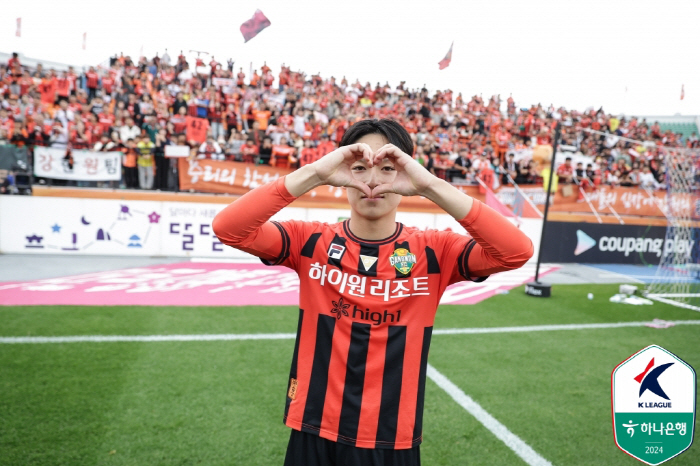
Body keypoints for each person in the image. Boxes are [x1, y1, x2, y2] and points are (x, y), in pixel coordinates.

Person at [212, 119, 532, 466]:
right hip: (312, 428)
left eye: (388, 168)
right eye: (360, 167)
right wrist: (316, 173)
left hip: (391, 438)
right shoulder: (312, 241)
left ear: (407, 173)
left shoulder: (434, 252)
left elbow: (516, 251)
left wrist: (430, 185)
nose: (373, 181)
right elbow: (229, 229)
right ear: (342, 170)